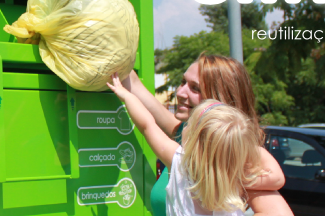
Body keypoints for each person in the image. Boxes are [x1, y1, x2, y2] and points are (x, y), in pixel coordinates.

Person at [121, 53, 291, 215]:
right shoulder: (185, 133)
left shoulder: (232, 156)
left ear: (219, 99)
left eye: (195, 88)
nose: (180, 93)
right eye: (183, 82)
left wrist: (224, 178)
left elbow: (277, 190)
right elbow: (137, 91)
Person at [108, 73, 263, 215]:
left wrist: (126, 95)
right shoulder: (235, 180)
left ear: (195, 141)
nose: (185, 125)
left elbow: (147, 125)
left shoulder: (180, 164)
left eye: (189, 124)